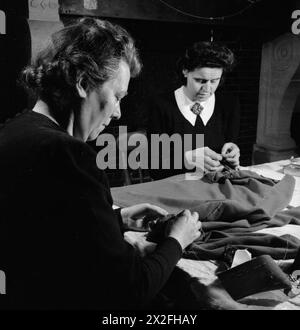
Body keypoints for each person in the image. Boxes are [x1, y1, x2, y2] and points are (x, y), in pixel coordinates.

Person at [0, 18, 201, 310]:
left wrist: (117, 220)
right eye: (117, 96)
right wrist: (177, 241)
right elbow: (130, 290)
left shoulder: (13, 130)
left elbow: (48, 235)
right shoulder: (68, 153)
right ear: (82, 83)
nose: (118, 112)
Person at [147, 41, 240, 180]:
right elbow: (154, 168)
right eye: (200, 80)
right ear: (185, 71)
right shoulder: (161, 106)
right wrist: (187, 159)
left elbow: (228, 154)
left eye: (214, 81)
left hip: (216, 184)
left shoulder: (228, 104)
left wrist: (233, 154)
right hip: (177, 186)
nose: (207, 89)